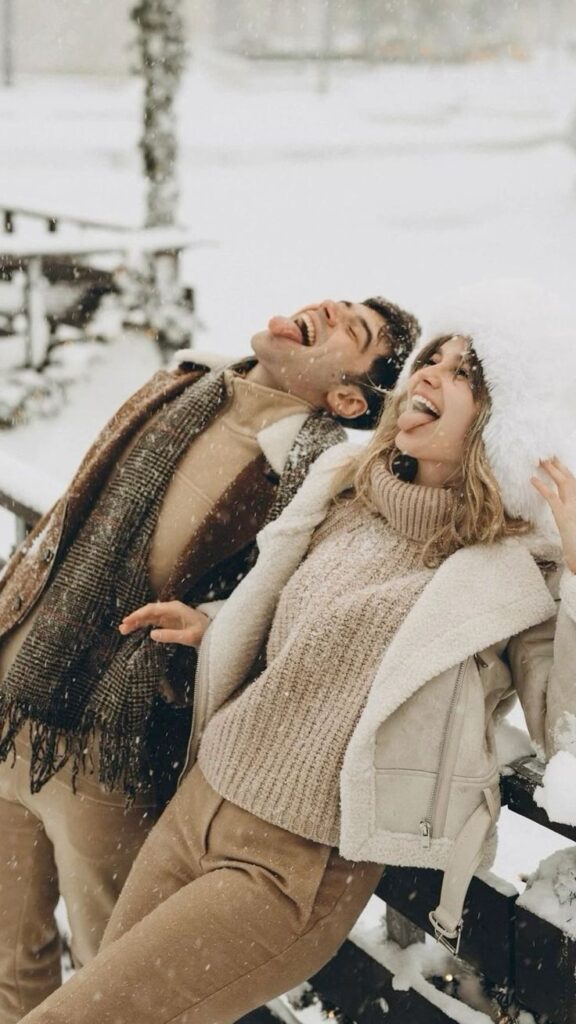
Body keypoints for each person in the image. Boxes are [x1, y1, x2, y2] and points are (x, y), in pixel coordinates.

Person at [15, 279, 576, 1024]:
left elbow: (566, 727)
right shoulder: (346, 491)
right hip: (201, 800)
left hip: (293, 869)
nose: (431, 374)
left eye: (465, 371)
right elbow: (306, 636)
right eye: (431, 360)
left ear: (508, 420)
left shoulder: (518, 571)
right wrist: (216, 628)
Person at [0, 295, 421, 1023]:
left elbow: (303, 601)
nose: (327, 308)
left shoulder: (323, 476)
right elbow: (70, 518)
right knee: (9, 965)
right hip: (16, 704)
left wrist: (216, 624)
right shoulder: (180, 386)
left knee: (113, 987)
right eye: (336, 302)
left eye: (352, 330)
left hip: (114, 755)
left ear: (349, 398)